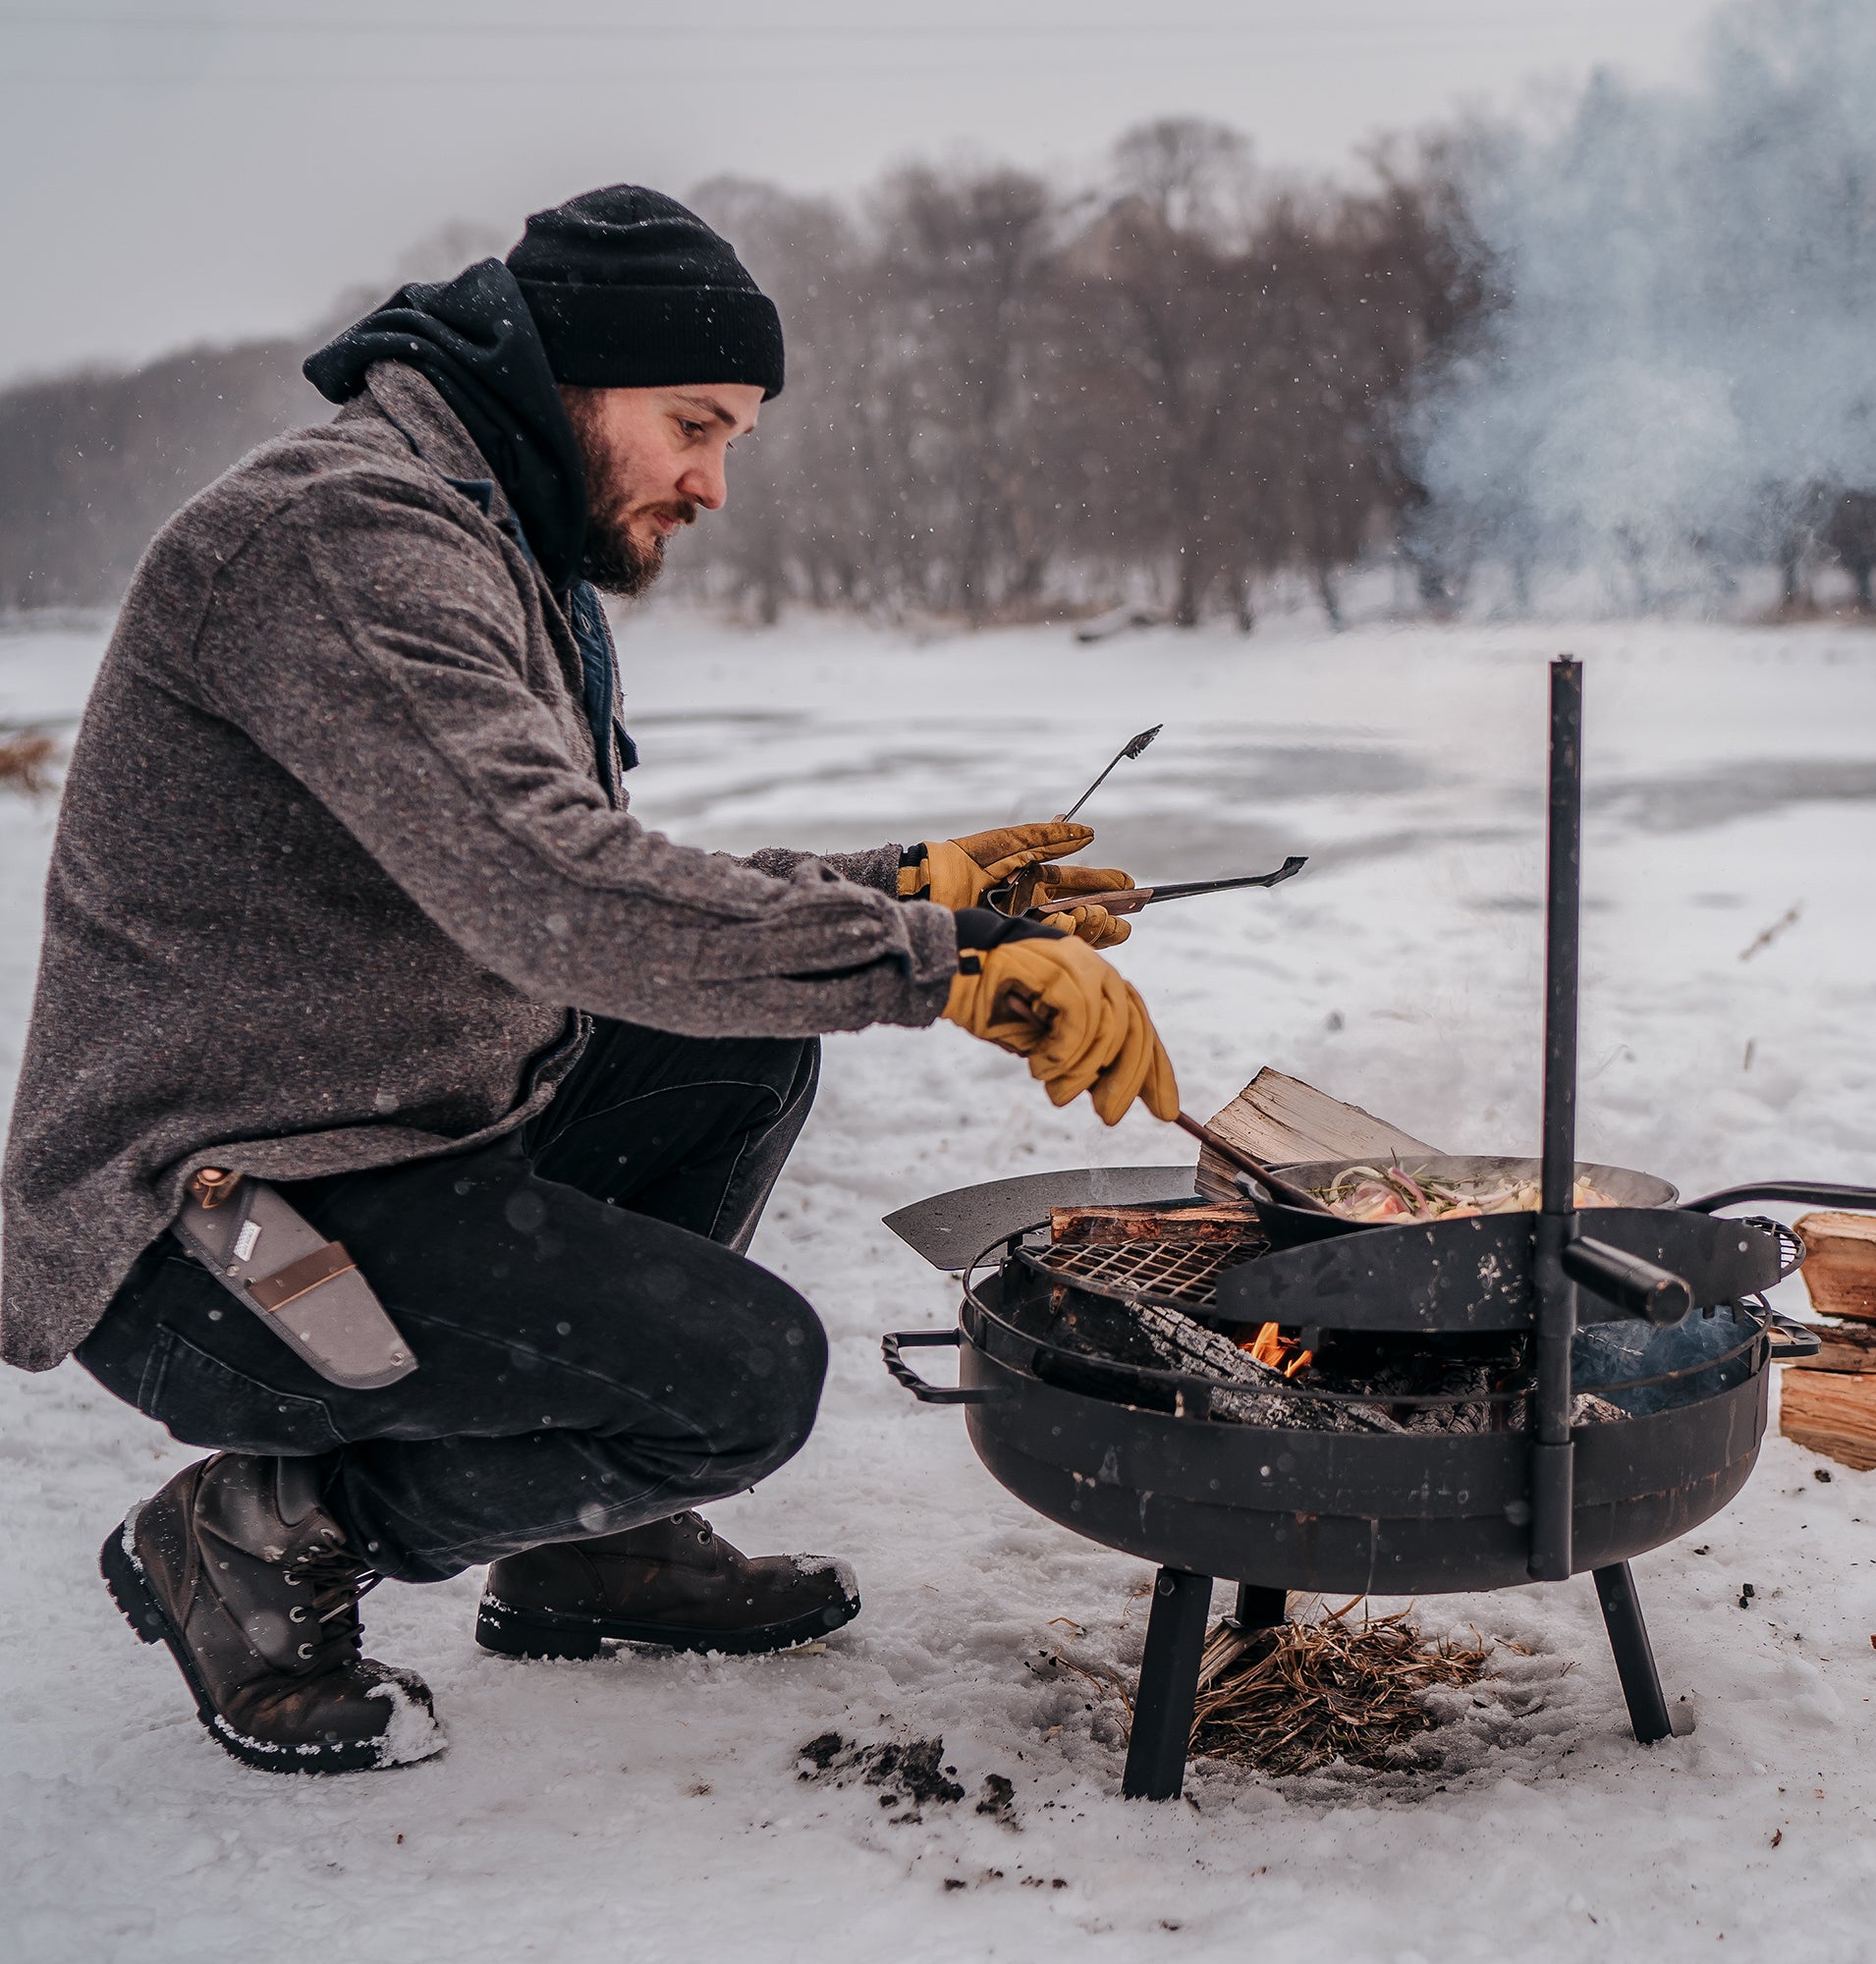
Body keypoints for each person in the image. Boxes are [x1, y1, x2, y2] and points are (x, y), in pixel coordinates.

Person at [0, 186, 1178, 1774]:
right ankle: (263, 1530)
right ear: (568, 382)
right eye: (694, 425)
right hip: (215, 1221)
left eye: (733, 441)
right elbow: (559, 901)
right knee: (742, 1381)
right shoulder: (338, 539)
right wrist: (940, 963)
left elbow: (586, 876)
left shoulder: (486, 535)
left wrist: (899, 885)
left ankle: (585, 1547)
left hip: (391, 1129)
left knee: (737, 1053)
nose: (709, 482)